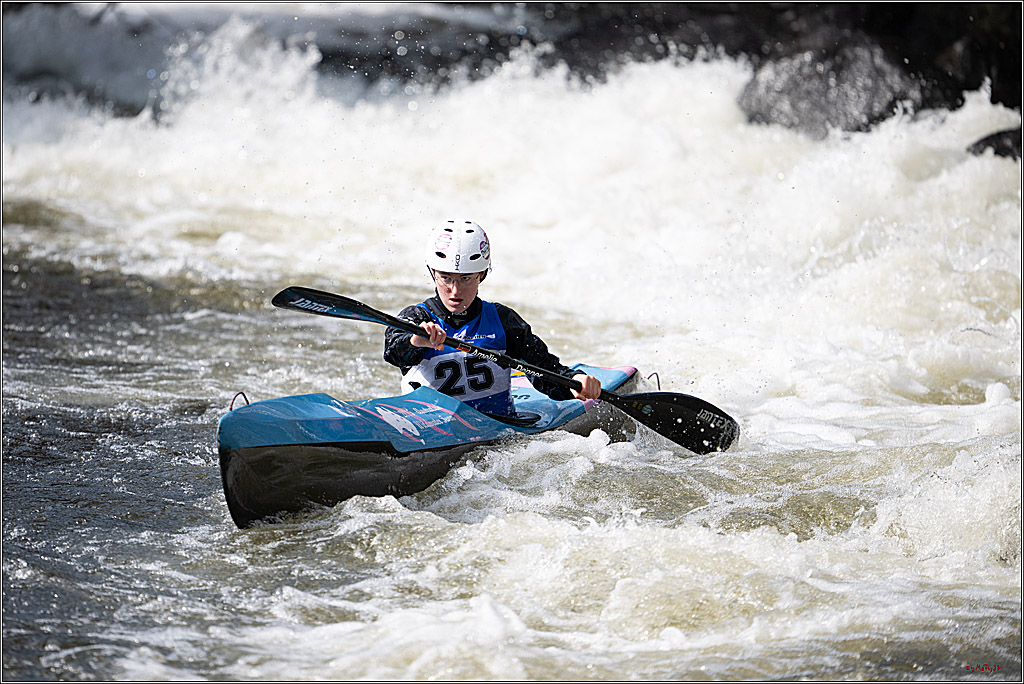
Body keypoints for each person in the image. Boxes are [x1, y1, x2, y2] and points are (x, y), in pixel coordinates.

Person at [383, 220, 602, 417]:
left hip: (497, 427)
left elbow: (544, 370)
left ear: (482, 275)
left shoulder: (503, 321)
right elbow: (393, 352)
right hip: (428, 427)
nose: (454, 290)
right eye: (446, 278)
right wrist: (416, 341)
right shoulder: (415, 318)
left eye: (466, 279)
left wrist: (575, 381)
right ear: (433, 273)